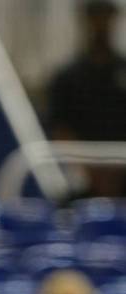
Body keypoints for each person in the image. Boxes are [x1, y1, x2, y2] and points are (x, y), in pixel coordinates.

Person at [47, 0, 126, 196]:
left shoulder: (123, 70)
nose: (101, 24)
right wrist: (87, 170)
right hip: (82, 177)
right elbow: (60, 129)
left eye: (106, 17)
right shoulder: (67, 77)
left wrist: (117, 170)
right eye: (95, 17)